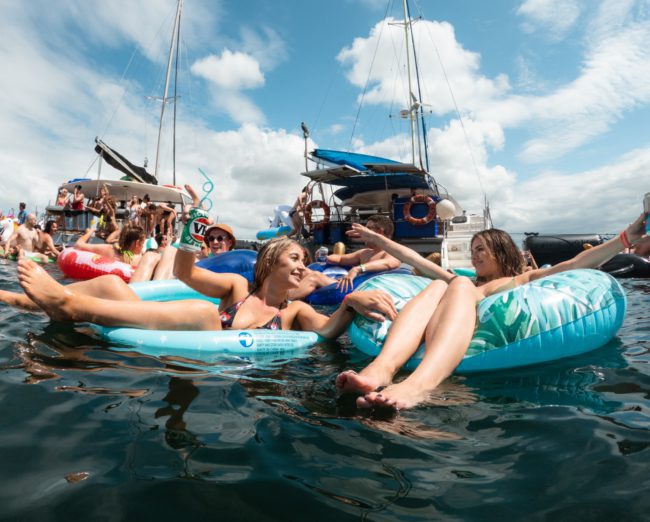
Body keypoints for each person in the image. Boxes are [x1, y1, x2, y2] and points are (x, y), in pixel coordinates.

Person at [336, 212, 649, 411]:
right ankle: (381, 370)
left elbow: (574, 264)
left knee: (456, 285)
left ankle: (420, 384)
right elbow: (419, 263)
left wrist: (625, 239)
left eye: (481, 250)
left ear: (501, 251)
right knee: (437, 285)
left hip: (475, 331)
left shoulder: (521, 280)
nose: (474, 258)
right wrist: (379, 240)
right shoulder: (464, 280)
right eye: (472, 252)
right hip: (443, 323)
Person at [8, 218, 395, 336]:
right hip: (168, 339)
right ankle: (18, 300)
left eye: (305, 261)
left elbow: (327, 332)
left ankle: (70, 306)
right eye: (295, 258)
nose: (302, 266)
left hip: (205, 367)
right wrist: (190, 240)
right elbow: (184, 272)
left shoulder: (293, 313)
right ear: (270, 263)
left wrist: (351, 301)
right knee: (112, 284)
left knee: (205, 315)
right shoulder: (237, 287)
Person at [288, 214, 401, 300]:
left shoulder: (391, 253)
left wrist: (357, 269)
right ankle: (280, 293)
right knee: (305, 271)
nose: (363, 232)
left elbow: (390, 263)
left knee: (315, 277)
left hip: (360, 290)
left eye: (368, 229)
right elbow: (341, 259)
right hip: (349, 285)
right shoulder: (365, 253)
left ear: (380, 232)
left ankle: (283, 301)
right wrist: (325, 257)